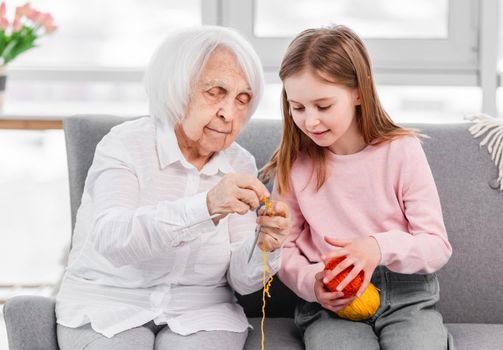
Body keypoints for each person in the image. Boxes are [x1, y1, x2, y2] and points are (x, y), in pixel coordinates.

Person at [55, 26, 291, 350]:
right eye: (215, 92)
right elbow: (113, 239)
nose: (228, 112)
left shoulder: (241, 164)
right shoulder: (124, 145)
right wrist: (207, 206)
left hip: (202, 311)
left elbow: (242, 280)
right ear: (177, 87)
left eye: (242, 99)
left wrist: (265, 246)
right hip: (107, 303)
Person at [262, 25, 453, 349]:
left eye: (323, 106)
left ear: (358, 92)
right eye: (298, 107)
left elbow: (436, 245)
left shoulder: (401, 150)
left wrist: (377, 247)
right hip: (331, 301)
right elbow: (283, 248)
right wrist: (312, 283)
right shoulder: (295, 164)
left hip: (405, 295)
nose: (310, 121)